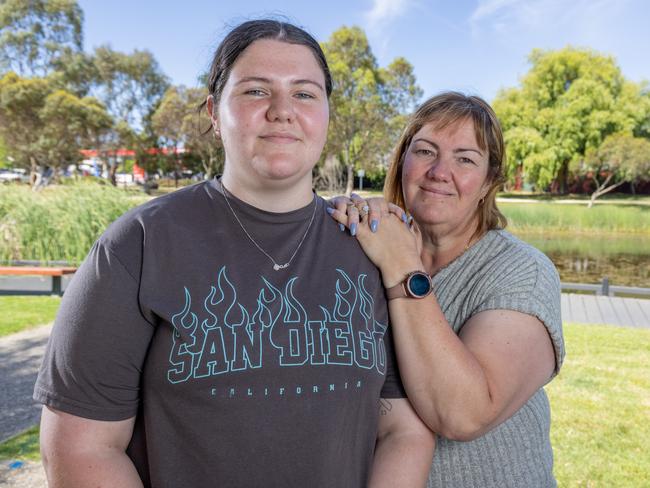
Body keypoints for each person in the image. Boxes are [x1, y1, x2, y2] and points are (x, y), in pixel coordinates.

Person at [34, 19, 434, 488]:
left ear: (327, 113)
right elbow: (78, 449)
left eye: (305, 94)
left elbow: (404, 429)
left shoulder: (370, 248)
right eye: (255, 91)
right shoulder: (140, 245)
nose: (283, 110)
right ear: (213, 111)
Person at [329, 92, 565, 487]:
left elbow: (464, 414)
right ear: (402, 161)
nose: (440, 171)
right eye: (425, 151)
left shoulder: (521, 272)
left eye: (465, 159)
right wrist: (338, 224)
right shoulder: (367, 249)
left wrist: (403, 266)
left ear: (489, 181)